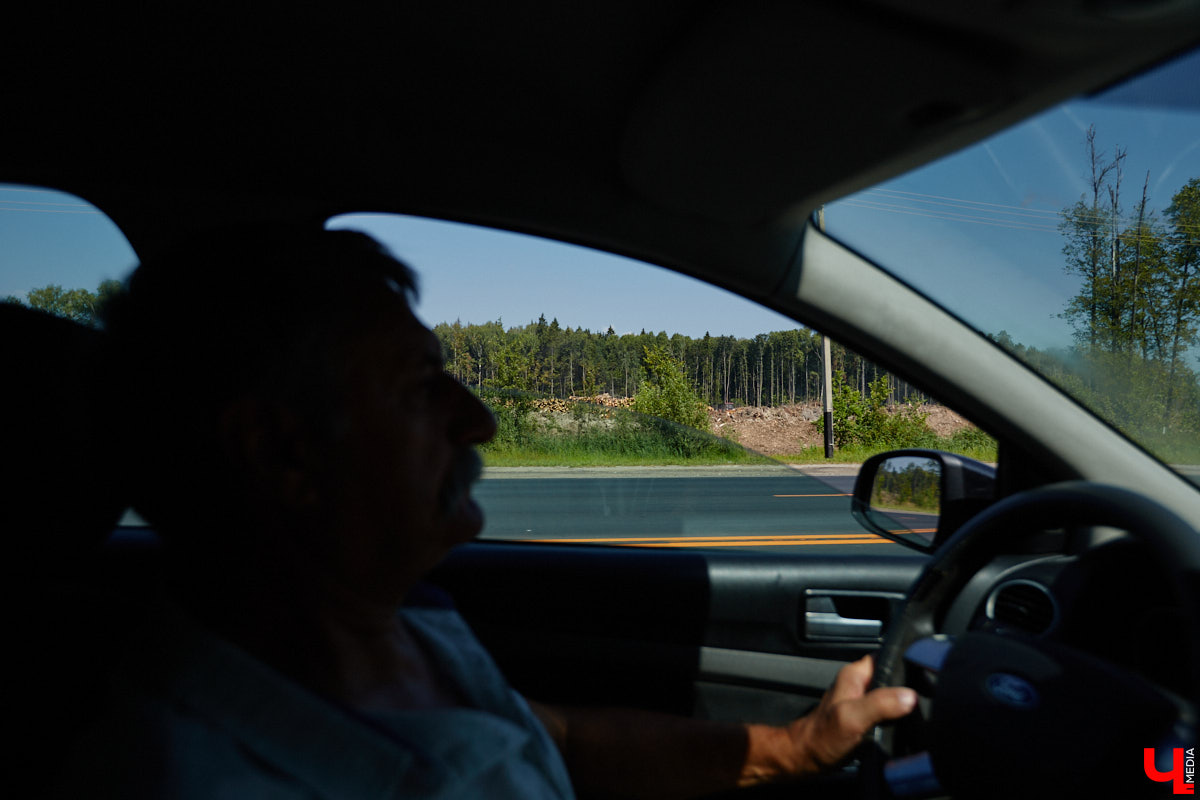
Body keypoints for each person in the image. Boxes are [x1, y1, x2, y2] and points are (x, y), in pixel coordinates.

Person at [65, 225, 915, 798]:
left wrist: (799, 748)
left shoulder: (402, 627)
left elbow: (566, 740)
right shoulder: (195, 770)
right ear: (281, 453)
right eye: (415, 390)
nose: (479, 421)